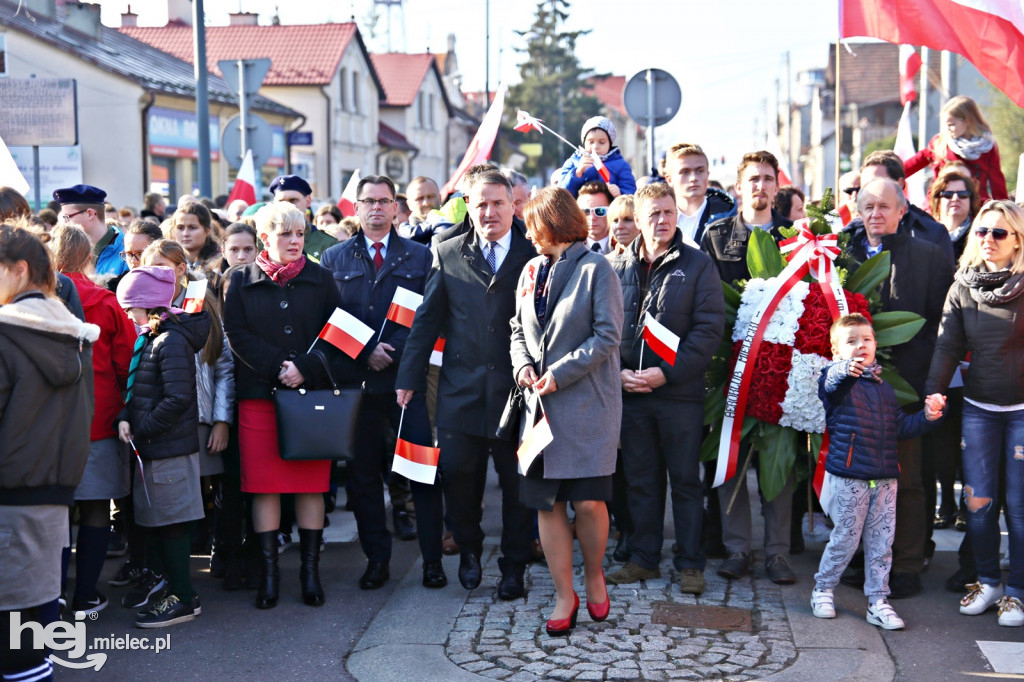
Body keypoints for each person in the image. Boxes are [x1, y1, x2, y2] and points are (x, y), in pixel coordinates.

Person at [396, 169, 535, 600]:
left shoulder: (533, 256)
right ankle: (470, 549)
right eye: (481, 204)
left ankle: (513, 568)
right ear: (469, 208)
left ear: (514, 205)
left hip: (517, 394)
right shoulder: (448, 251)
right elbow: (427, 321)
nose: (490, 212)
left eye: (498, 203)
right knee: (458, 476)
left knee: (517, 488)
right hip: (461, 391)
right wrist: (409, 378)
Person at [222, 203, 349, 609]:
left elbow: (338, 334)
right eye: (285, 234)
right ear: (265, 239)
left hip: (309, 398)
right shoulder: (238, 280)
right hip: (260, 397)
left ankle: (310, 574)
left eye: (300, 233)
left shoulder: (322, 278)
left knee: (311, 485)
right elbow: (236, 335)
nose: (295, 241)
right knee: (265, 487)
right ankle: (270, 576)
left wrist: (306, 369)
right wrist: (279, 367)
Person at [320, 175, 443, 589]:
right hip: (357, 384)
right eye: (368, 201)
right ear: (356, 207)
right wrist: (366, 349)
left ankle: (432, 561)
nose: (376, 208)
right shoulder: (334, 259)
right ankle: (376, 561)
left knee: (421, 471)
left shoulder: (420, 257)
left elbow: (428, 314)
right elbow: (328, 317)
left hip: (406, 380)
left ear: (396, 208)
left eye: (384, 201)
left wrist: (391, 347)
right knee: (364, 477)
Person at [510, 186, 623, 635]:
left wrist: (558, 372)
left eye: (533, 224)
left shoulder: (597, 267)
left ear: (554, 222)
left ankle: (594, 576)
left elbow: (607, 336)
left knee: (588, 499)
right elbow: (518, 327)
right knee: (546, 501)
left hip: (586, 404)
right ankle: (563, 594)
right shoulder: (531, 268)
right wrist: (521, 365)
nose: (528, 233)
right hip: (538, 407)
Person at [607, 182, 725, 595]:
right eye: (653, 213)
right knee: (640, 480)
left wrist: (666, 373)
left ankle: (691, 564)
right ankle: (643, 559)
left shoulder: (697, 265)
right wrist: (617, 372)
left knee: (685, 483)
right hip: (630, 393)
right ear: (638, 220)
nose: (662, 220)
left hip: (678, 395)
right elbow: (602, 330)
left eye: (668, 212)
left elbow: (709, 331)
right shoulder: (613, 266)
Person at [844, 177, 954, 598]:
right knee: (857, 478)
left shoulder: (928, 256)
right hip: (853, 390)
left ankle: (905, 565)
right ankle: (859, 559)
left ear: (901, 210)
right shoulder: (841, 252)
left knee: (905, 481)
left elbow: (941, 328)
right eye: (868, 206)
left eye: (884, 207)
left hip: (905, 387)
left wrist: (927, 382)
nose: (876, 213)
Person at [0, 224, 97, 681]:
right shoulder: (74, 333)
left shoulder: (7, 335)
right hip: (55, 500)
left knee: (11, 646)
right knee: (33, 642)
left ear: (19, 271)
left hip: (7, 500)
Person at [926, 200, 1024, 627]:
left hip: (1023, 411)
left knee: (1019, 509)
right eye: (982, 231)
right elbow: (948, 343)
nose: (987, 239)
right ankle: (988, 582)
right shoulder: (962, 284)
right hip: (980, 409)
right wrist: (934, 391)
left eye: (999, 233)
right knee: (979, 504)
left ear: (1018, 240)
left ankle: (1017, 592)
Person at [812, 314, 945, 630]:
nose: (861, 345)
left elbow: (901, 427)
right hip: (850, 477)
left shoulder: (884, 388)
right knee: (845, 538)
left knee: (882, 544)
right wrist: (846, 369)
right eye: (852, 341)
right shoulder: (835, 378)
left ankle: (878, 601)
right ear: (836, 351)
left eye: (867, 339)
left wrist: (929, 416)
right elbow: (832, 384)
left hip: (885, 479)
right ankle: (823, 589)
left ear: (875, 344)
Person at [702, 151, 798, 584]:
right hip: (731, 366)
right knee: (732, 459)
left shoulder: (796, 236)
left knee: (779, 462)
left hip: (781, 367)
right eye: (752, 179)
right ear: (738, 187)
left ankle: (778, 553)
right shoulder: (716, 236)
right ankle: (737, 548)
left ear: (777, 187)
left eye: (767, 179)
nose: (760, 186)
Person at [115, 265, 210, 628]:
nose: (127, 315)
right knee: (162, 521)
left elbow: (177, 399)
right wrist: (126, 414)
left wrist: (142, 428)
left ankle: (183, 597)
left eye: (131, 308)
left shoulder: (169, 341)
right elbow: (140, 388)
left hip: (167, 447)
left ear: (148, 305)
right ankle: (178, 591)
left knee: (172, 524)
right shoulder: (154, 337)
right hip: (156, 445)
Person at [48, 225, 135, 615]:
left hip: (50, 420)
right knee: (97, 505)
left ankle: (54, 591)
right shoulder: (105, 300)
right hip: (100, 414)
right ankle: (86, 594)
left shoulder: (38, 299)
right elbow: (126, 363)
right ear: (88, 256)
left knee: (57, 509)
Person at [852, 151, 956, 265]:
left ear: (900, 183)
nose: (871, 190)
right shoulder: (848, 237)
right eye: (865, 186)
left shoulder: (932, 233)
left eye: (878, 182)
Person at [904, 95, 1008, 202]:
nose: (947, 129)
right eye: (946, 125)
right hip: (942, 207)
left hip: (976, 207)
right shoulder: (939, 143)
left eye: (952, 124)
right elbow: (912, 164)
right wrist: (891, 173)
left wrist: (1005, 209)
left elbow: (997, 183)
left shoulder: (987, 147)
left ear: (968, 121)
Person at [665, 143, 735, 246]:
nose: (693, 178)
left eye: (699, 171)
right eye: (685, 172)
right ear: (669, 179)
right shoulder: (658, 220)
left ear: (707, 175)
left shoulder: (729, 220)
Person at [53, 184, 129, 277]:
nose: (64, 223)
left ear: (90, 214)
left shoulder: (127, 254)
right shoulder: (68, 251)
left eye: (67, 217)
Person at [557, 116, 637, 198]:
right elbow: (561, 193)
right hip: (580, 209)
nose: (595, 146)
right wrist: (577, 173)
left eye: (602, 142)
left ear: (610, 144)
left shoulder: (621, 165)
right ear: (584, 142)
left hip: (609, 210)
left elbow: (631, 193)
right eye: (591, 142)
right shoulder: (573, 162)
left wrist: (620, 192)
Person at [269, 174, 337, 262]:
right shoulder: (263, 241)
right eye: (281, 201)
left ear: (308, 201)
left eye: (293, 200)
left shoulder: (327, 243)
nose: (287, 206)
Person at [930, 170, 981, 263]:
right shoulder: (924, 233)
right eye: (948, 194)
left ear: (971, 201)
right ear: (937, 202)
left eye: (963, 194)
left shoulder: (980, 236)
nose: (955, 198)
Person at [169, 202, 220, 275]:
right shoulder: (168, 262)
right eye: (180, 228)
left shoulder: (220, 263)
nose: (185, 234)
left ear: (207, 230)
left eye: (192, 228)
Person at [577, 181, 615, 254]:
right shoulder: (570, 251)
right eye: (585, 211)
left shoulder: (623, 247)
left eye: (600, 211)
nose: (592, 218)